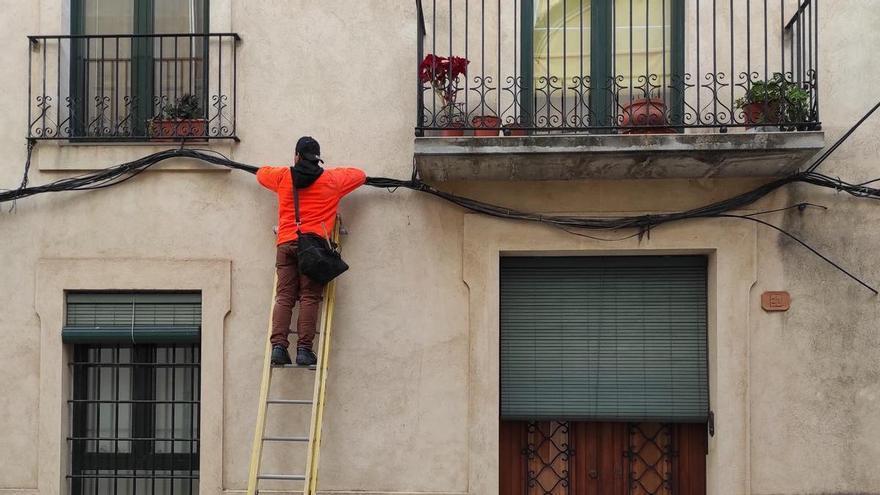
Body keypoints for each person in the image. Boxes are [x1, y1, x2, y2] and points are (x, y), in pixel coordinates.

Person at [257, 136, 366, 365]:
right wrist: (331, 172)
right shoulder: (332, 180)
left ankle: (278, 346)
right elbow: (360, 175)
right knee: (309, 297)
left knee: (285, 296)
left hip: (286, 243)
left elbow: (260, 173)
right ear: (317, 159)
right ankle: (304, 350)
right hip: (314, 248)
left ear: (296, 156)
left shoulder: (282, 176)